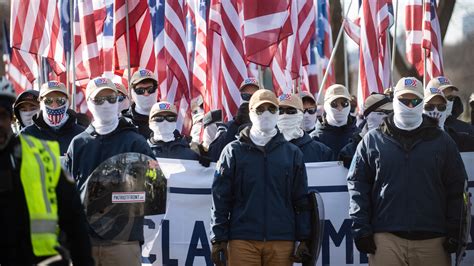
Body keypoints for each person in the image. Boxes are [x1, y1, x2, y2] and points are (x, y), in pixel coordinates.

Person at [347, 77, 467, 266]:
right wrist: (361, 229)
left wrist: (455, 229)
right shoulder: (372, 140)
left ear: (422, 102)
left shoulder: (443, 142)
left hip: (433, 240)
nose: (410, 106)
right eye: (404, 100)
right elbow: (357, 186)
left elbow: (457, 188)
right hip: (385, 239)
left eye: (416, 101)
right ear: (394, 101)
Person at [211, 89, 311, 266]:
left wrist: (304, 237)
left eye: (271, 109)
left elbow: (301, 200)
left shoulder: (292, 153)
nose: (266, 114)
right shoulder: (233, 151)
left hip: (282, 240)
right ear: (250, 113)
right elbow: (220, 198)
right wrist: (218, 238)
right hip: (242, 239)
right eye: (260, 109)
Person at [65, 77, 154, 266]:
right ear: (88, 103)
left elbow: (154, 190)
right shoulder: (78, 143)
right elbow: (66, 195)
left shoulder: (136, 142)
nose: (106, 104)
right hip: (84, 242)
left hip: (123, 242)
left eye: (111, 98)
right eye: (99, 99)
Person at [0, 91, 93, 265]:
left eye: (3, 116)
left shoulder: (41, 154)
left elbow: (74, 219)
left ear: (11, 119)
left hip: (47, 257)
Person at [22, 81, 85, 155]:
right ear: (40, 103)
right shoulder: (26, 135)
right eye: (48, 101)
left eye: (60, 101)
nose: (54, 106)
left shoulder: (81, 135)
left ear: (68, 102)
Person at [208, 78, 260, 162]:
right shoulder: (226, 126)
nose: (250, 100)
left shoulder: (267, 126)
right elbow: (214, 154)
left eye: (254, 97)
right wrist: (235, 125)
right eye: (246, 96)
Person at [339, 93, 393, 168]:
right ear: (370, 115)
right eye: (385, 112)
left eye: (392, 112)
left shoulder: (397, 143)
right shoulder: (350, 151)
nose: (389, 116)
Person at [277, 93, 334, 162]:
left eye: (291, 111)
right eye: (280, 111)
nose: (284, 115)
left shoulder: (322, 152)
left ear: (301, 114)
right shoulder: (265, 151)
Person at [423, 85, 474, 152]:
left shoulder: (459, 139)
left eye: (441, 107)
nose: (436, 111)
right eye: (429, 107)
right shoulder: (409, 139)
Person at [315, 84, 359, 155]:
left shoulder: (360, 137)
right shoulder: (314, 139)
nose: (340, 108)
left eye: (344, 103)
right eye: (334, 104)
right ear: (326, 106)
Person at [123, 68, 158, 138]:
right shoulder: (124, 122)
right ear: (132, 92)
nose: (146, 94)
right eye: (140, 90)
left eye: (150, 89)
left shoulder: (169, 117)